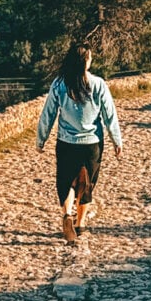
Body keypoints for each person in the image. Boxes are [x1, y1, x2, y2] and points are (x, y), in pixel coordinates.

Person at [36, 42, 123, 243]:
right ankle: (80, 224)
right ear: (85, 61)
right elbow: (110, 115)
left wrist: (41, 139)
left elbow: (48, 114)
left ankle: (67, 214)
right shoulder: (98, 84)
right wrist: (116, 140)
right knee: (86, 184)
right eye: (90, 57)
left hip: (66, 142)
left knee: (66, 181)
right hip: (92, 143)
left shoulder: (59, 84)